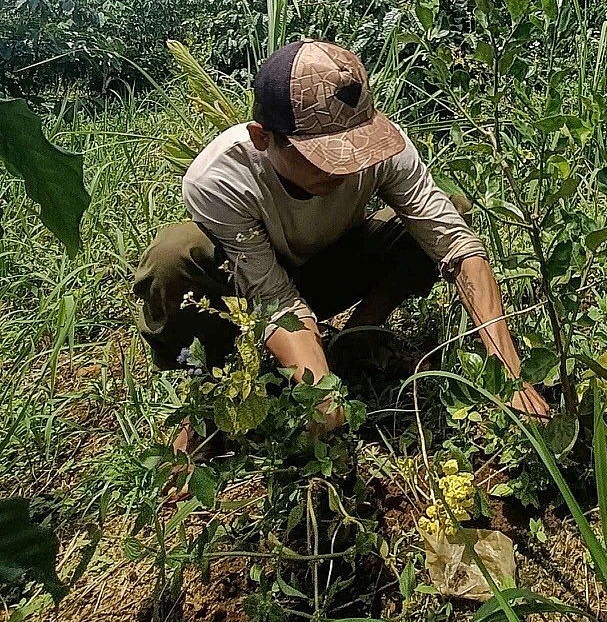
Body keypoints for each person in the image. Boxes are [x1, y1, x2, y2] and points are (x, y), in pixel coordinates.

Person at [133, 39, 550, 446]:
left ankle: (356, 339)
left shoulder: (384, 148)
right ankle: (207, 389)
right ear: (264, 138)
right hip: (249, 292)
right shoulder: (220, 178)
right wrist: (322, 393)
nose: (346, 167)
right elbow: (273, 298)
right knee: (175, 256)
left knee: (450, 212)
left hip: (332, 266)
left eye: (354, 148)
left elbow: (456, 245)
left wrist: (510, 374)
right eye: (322, 155)